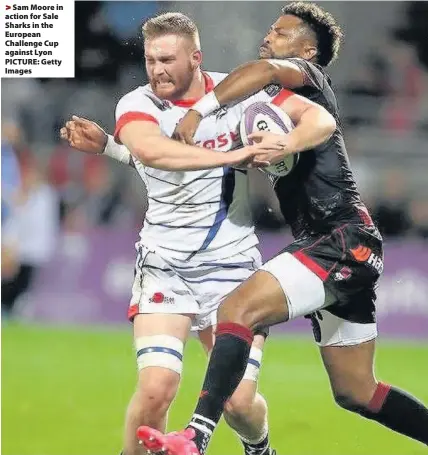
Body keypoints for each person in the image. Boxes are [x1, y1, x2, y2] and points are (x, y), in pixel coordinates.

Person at [136, 3, 428, 454]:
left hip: (342, 238)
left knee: (237, 308)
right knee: (356, 391)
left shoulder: (308, 79)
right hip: (335, 244)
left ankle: (195, 435)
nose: (269, 36)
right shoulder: (268, 103)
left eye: (281, 32)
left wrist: (205, 111)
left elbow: (304, 106)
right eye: (271, 30)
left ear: (307, 51)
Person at [60, 11, 336, 455]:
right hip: (165, 264)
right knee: (155, 389)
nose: (157, 70)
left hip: (233, 271)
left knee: (239, 402)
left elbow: (320, 120)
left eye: (168, 59)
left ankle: (260, 447)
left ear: (196, 58)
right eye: (150, 60)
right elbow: (154, 153)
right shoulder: (138, 103)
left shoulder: (240, 93)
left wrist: (282, 145)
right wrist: (235, 155)